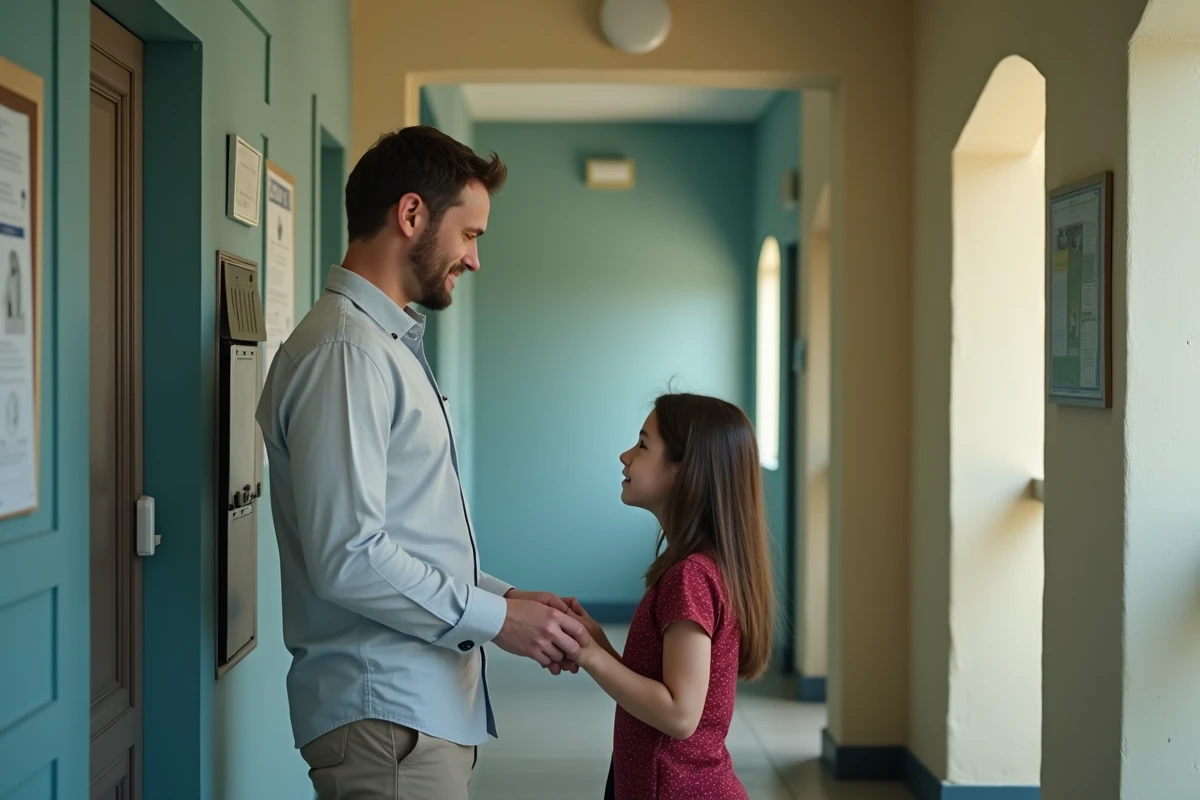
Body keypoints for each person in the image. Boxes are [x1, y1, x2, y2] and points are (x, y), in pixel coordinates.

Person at [255, 126, 590, 800]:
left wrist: (505, 599)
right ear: (411, 215)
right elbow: (350, 555)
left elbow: (402, 531)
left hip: (411, 715)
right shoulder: (345, 355)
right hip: (387, 722)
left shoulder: (382, 345)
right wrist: (499, 623)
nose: (473, 260)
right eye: (470, 235)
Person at [568, 393, 775, 800]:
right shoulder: (701, 568)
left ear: (686, 470)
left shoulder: (690, 578)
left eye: (643, 444)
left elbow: (679, 714)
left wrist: (586, 657)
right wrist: (598, 645)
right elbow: (658, 687)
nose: (625, 456)